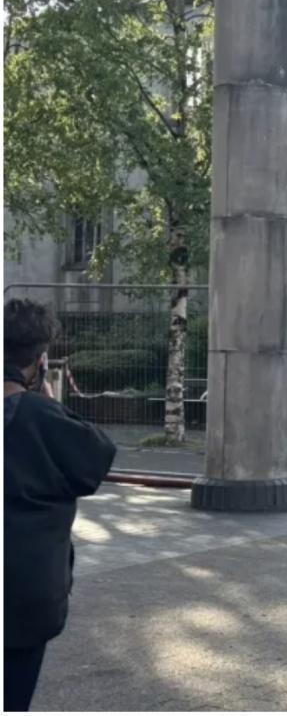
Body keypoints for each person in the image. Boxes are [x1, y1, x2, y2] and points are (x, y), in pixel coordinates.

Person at [4, 299, 116, 711]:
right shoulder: (42, 417)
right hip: (22, 598)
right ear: (40, 360)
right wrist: (51, 403)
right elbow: (95, 459)